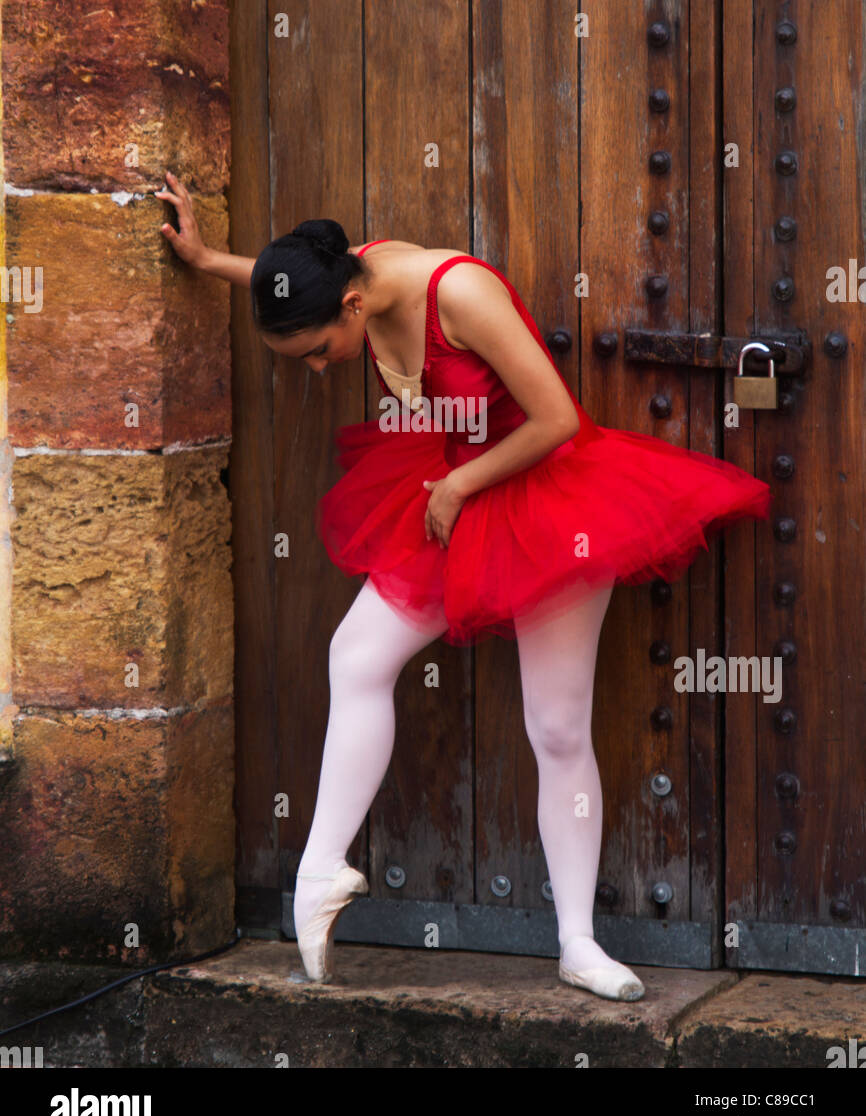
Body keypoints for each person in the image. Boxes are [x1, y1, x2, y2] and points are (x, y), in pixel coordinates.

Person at [156, 171, 773, 1001]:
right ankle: (322, 870)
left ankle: (578, 944)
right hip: (449, 489)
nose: (316, 370)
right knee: (357, 655)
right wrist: (205, 260)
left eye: (316, 355)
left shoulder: (462, 293)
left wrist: (460, 485)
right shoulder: (343, 273)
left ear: (351, 307)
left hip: (545, 495)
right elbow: (282, 276)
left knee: (555, 726)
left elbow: (558, 419)